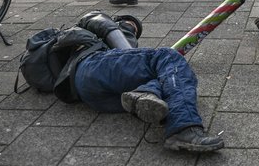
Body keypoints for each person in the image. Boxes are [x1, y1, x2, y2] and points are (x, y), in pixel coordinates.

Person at [44, 12, 224, 153]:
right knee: (168, 57)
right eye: (131, 25)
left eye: (134, 28)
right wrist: (121, 26)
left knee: (169, 78)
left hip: (91, 95)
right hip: (91, 65)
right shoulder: (99, 25)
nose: (132, 29)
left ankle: (145, 93)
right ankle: (184, 127)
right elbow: (93, 19)